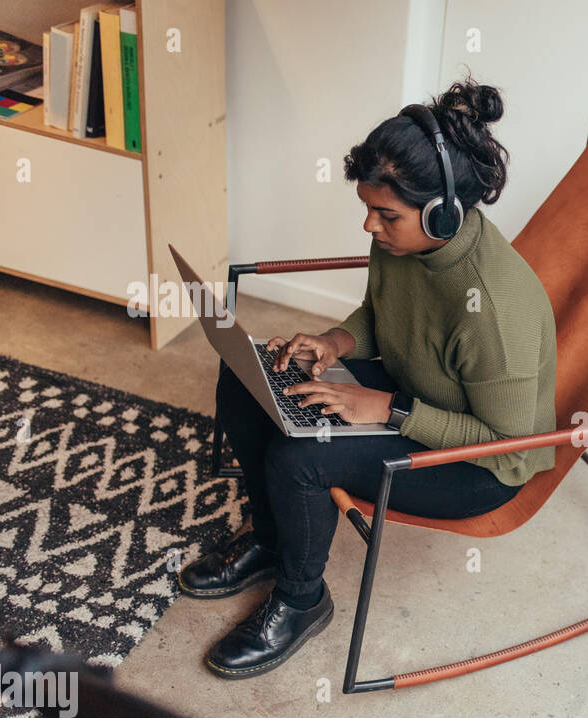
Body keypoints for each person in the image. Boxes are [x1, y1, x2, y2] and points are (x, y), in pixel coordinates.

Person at [178, 75, 557, 680]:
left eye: (386, 215)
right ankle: (272, 542)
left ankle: (302, 601)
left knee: (303, 458)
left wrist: (384, 407)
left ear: (442, 213)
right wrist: (334, 343)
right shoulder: (406, 244)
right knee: (247, 380)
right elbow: (383, 313)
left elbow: (504, 444)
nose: (369, 229)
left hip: (477, 466)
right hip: (413, 398)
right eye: (368, 210)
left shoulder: (493, 310)